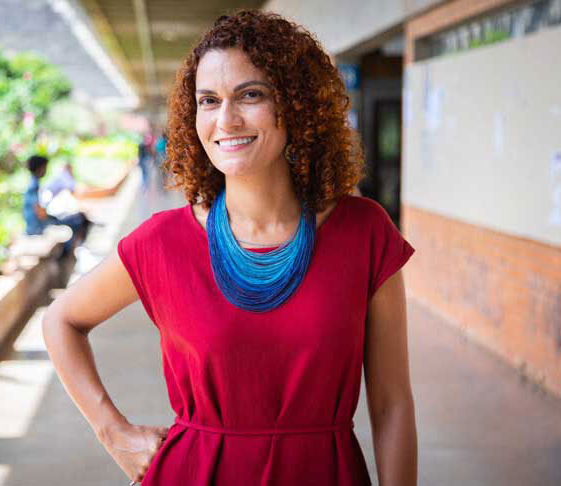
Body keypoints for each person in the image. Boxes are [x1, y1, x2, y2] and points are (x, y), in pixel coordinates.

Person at [42, 10, 417, 486]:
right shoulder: (161, 241)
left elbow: (392, 405)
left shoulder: (365, 233)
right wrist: (113, 432)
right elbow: (61, 320)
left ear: (298, 105)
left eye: (251, 95)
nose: (226, 119)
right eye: (208, 100)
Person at [22, 155, 89, 252]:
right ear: (40, 168)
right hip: (36, 227)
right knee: (75, 221)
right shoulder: (33, 186)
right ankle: (68, 254)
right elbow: (40, 213)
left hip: (36, 224)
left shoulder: (34, 183)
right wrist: (55, 216)